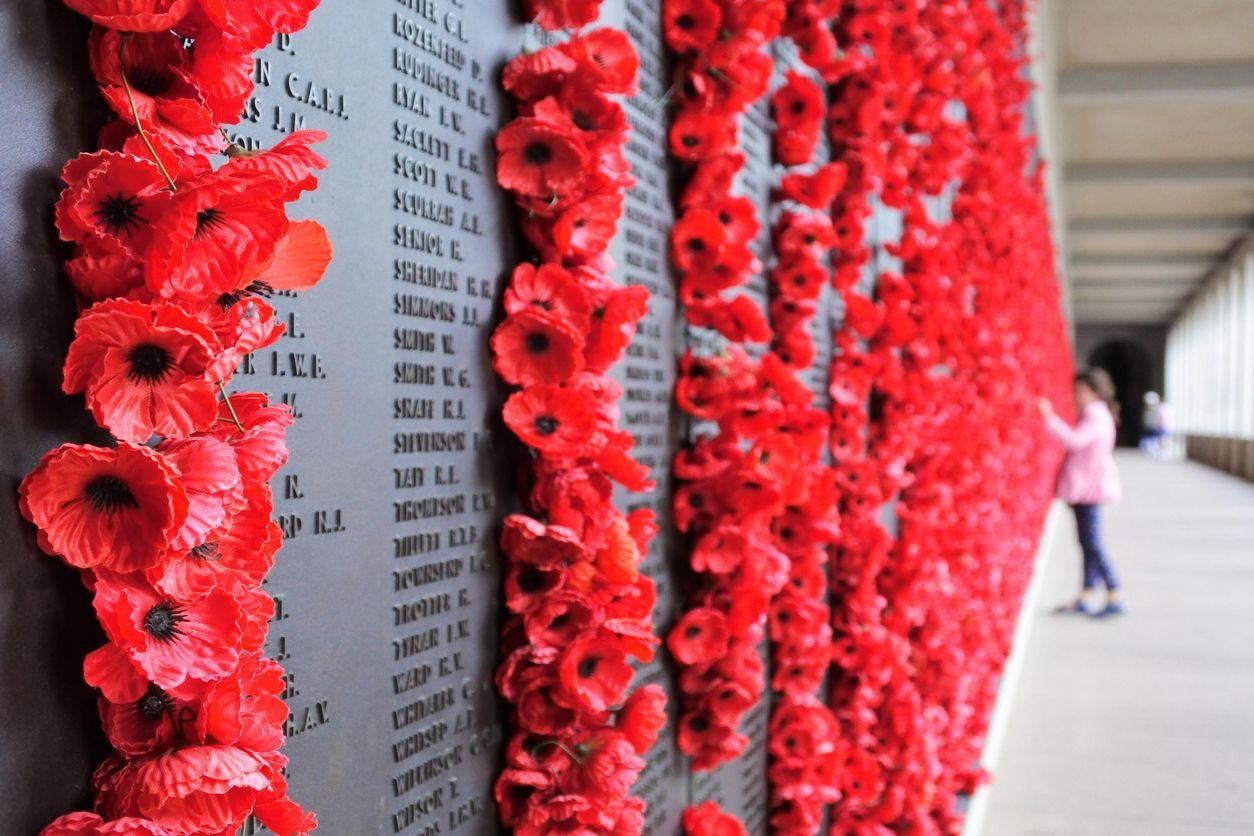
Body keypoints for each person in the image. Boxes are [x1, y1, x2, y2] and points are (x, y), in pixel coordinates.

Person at [1038, 369, 1125, 617]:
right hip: (1086, 486)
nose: (1076, 396)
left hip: (1088, 488)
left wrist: (1049, 417)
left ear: (1095, 392)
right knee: (1087, 542)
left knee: (1092, 542)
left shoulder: (1096, 416)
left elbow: (1075, 441)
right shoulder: (1094, 414)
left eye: (1080, 392)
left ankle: (1114, 591)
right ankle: (1086, 594)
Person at [1139, 391, 1172, 459]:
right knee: (1162, 439)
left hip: (1163, 426)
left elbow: (1159, 418)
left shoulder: (1161, 408)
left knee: (1162, 439)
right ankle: (1162, 452)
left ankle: (1163, 452)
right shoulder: (1164, 408)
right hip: (1166, 426)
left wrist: (1156, 424)